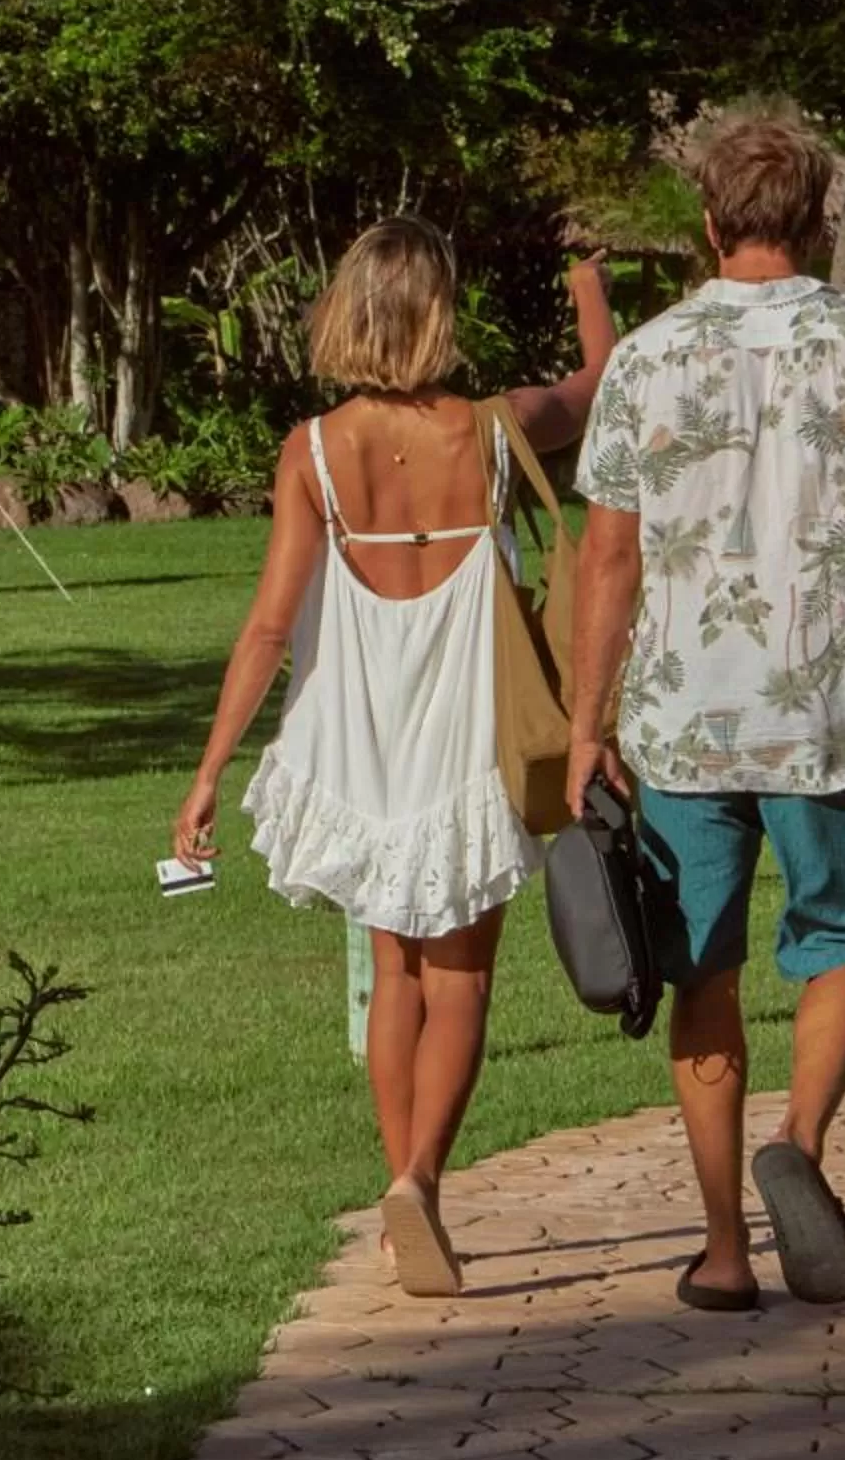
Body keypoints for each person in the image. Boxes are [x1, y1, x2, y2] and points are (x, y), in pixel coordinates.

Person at [564, 114, 845, 1313]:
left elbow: (605, 558)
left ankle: (720, 1251)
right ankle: (799, 1147)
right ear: (815, 219)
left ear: (706, 225)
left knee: (698, 971)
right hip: (829, 712)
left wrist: (583, 724)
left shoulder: (644, 361)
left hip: (680, 720)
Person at [175, 220, 615, 1299]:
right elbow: (601, 382)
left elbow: (270, 627)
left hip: (362, 736)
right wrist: (586, 278)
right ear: (437, 316)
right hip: (472, 725)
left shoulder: (313, 450)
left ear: (346, 312)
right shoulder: (495, 428)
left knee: (395, 977)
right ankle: (421, 1179)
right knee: (461, 975)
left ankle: (395, 1195)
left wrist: (206, 774)